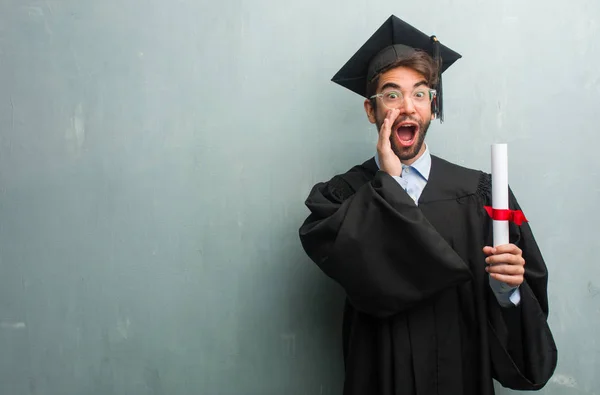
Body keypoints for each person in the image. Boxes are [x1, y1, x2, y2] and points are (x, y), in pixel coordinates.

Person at [298, 15, 557, 395]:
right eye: (391, 94)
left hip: (461, 378)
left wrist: (508, 293)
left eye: (420, 94)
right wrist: (388, 184)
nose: (407, 107)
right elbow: (365, 277)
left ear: (432, 107)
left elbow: (522, 310)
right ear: (371, 111)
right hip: (380, 378)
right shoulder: (341, 198)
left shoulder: (483, 194)